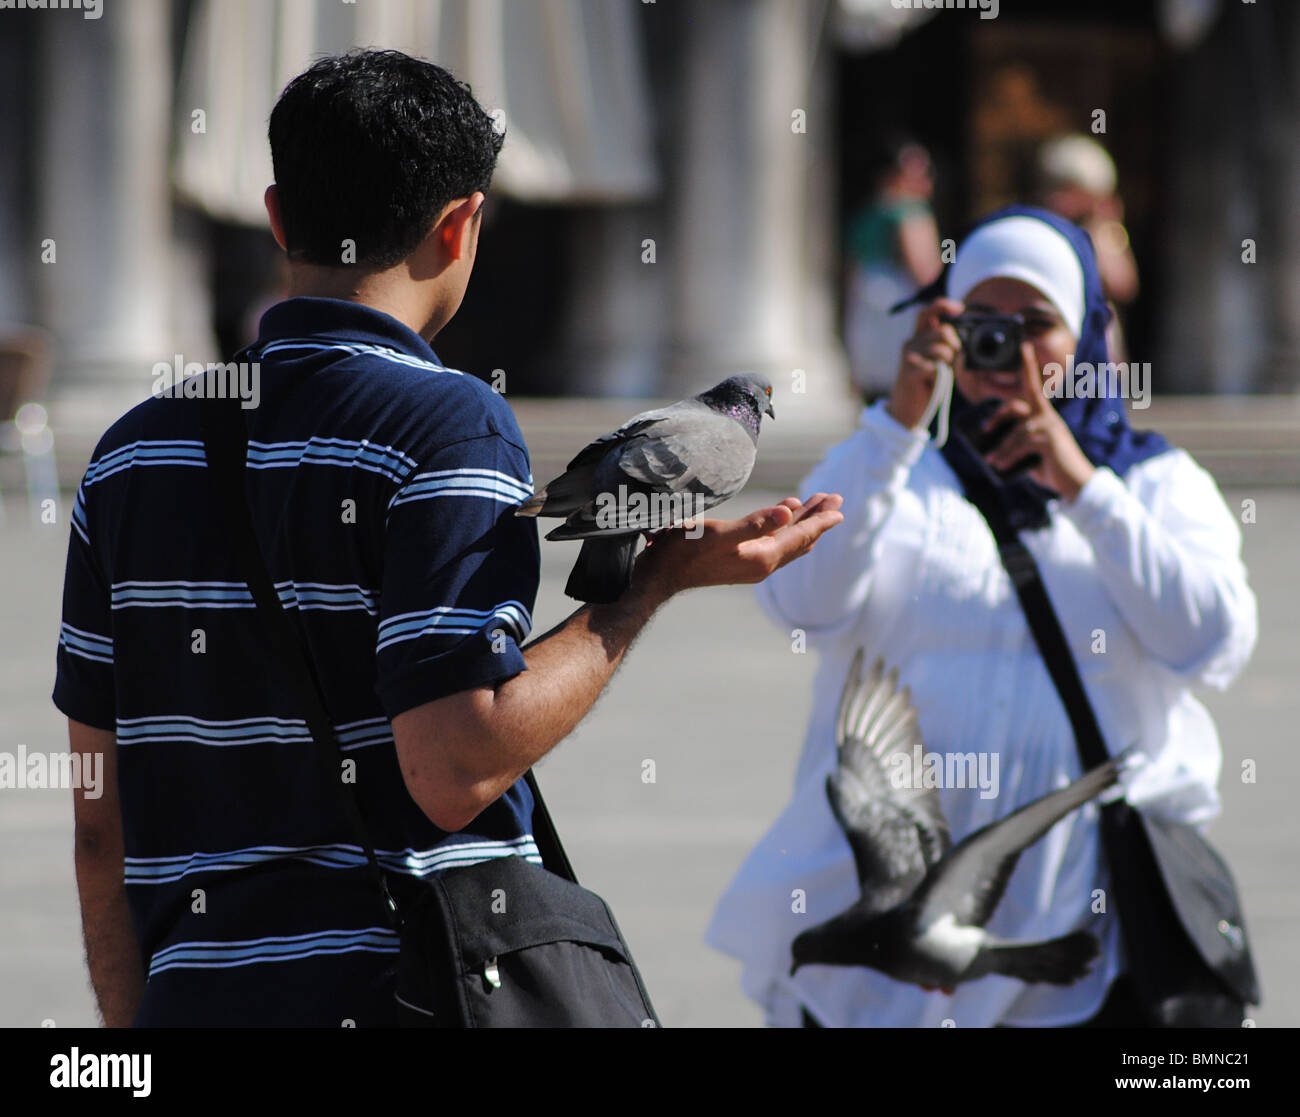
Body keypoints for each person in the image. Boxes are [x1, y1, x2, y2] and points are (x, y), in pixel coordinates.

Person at [55, 49, 843, 1027]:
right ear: (461, 224)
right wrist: (644, 593)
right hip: (399, 995)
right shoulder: (445, 427)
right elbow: (453, 766)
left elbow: (100, 823)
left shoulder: (130, 457)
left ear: (274, 214)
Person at [706, 206, 1257, 1028]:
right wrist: (893, 422)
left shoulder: (1154, 484)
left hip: (1081, 935)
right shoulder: (894, 470)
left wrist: (1083, 486)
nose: (1012, 348)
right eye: (983, 323)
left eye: (1039, 324)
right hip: (883, 948)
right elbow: (798, 601)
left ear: (1088, 336)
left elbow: (1213, 641)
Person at [842, 137, 943, 401]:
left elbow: (849, 275)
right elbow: (924, 273)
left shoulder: (864, 215)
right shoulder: (911, 213)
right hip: (900, 318)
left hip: (866, 318)